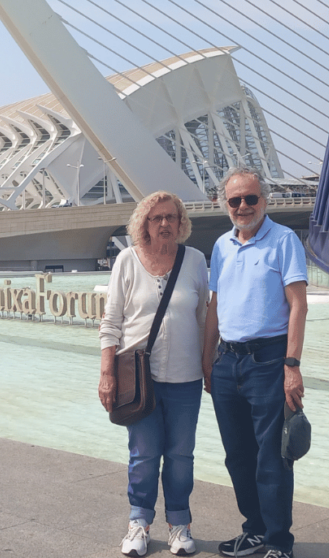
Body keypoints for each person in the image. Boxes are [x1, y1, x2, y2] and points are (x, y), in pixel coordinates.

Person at [201, 167, 308, 558]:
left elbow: (298, 305)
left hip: (269, 361)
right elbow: (215, 307)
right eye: (235, 200)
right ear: (224, 204)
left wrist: (292, 365)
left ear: (264, 200)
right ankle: (255, 529)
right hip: (228, 363)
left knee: (272, 458)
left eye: (250, 198)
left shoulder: (284, 241)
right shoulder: (222, 245)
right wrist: (206, 361)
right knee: (238, 456)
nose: (243, 206)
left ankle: (279, 542)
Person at [99, 191, 209, 557]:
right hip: (138, 379)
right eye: (156, 218)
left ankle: (180, 524)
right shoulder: (127, 262)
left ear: (181, 223)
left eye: (171, 217)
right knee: (144, 454)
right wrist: (107, 374)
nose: (164, 224)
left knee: (181, 455)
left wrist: (209, 368)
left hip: (186, 378)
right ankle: (139, 522)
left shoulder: (195, 261)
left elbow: (204, 319)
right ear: (144, 224)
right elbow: (111, 322)